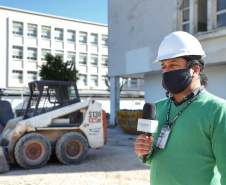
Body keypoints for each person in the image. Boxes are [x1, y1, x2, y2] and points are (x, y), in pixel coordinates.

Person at [134, 31, 226, 185]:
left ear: (195, 70)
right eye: (164, 66)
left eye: (173, 65)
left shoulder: (218, 110)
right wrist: (142, 150)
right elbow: (149, 159)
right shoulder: (156, 108)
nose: (167, 71)